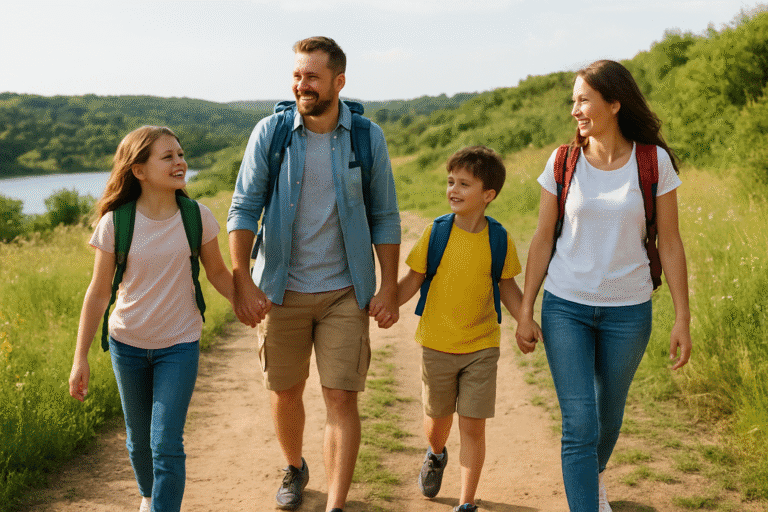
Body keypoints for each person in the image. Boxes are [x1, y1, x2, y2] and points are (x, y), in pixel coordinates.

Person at [227, 36, 401, 512]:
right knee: (285, 391)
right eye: (297, 75)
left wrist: (388, 286)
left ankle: (336, 504)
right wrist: (242, 278)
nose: (301, 85)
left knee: (341, 396)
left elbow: (384, 215)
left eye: (312, 77)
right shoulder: (271, 132)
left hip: (345, 292)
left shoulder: (367, 137)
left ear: (338, 82)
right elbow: (243, 208)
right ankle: (294, 466)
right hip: (280, 290)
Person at [515, 60, 692, 512]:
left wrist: (683, 318)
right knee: (579, 424)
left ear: (614, 103)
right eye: (573, 100)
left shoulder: (653, 162)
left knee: (607, 417)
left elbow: (670, 243)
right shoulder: (563, 161)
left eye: (584, 99)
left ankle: (590, 483)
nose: (575, 109)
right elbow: (542, 237)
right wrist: (526, 308)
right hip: (566, 306)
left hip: (628, 311)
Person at [68, 126, 234, 512]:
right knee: (138, 441)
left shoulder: (197, 217)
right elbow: (98, 292)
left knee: (165, 442)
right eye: (168, 157)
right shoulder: (116, 222)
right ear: (139, 170)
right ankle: (148, 498)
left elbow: (219, 275)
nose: (180, 162)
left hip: (179, 343)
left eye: (180, 154)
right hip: (127, 344)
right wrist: (81, 358)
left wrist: (252, 306)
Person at [397, 146, 532, 512]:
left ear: (488, 195)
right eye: (450, 182)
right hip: (437, 344)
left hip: (481, 346)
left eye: (464, 184)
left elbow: (507, 287)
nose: (453, 190)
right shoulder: (435, 233)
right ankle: (436, 454)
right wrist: (385, 303)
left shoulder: (499, 239)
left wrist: (526, 320)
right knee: (439, 423)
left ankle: (466, 502)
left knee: (473, 427)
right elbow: (413, 280)